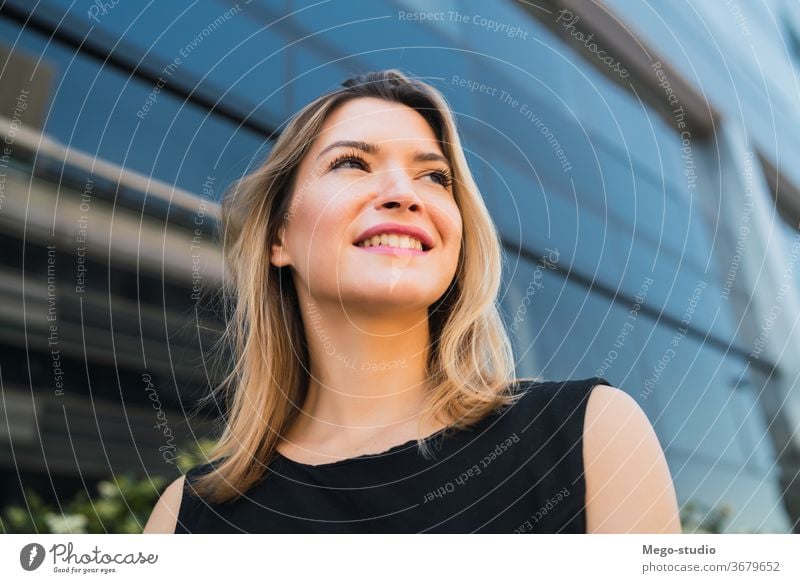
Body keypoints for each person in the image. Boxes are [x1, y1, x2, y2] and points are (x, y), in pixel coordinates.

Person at [143, 69, 680, 534]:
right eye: (352, 163)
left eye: (434, 176)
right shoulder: (183, 520)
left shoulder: (589, 436)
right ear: (279, 238)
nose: (406, 193)